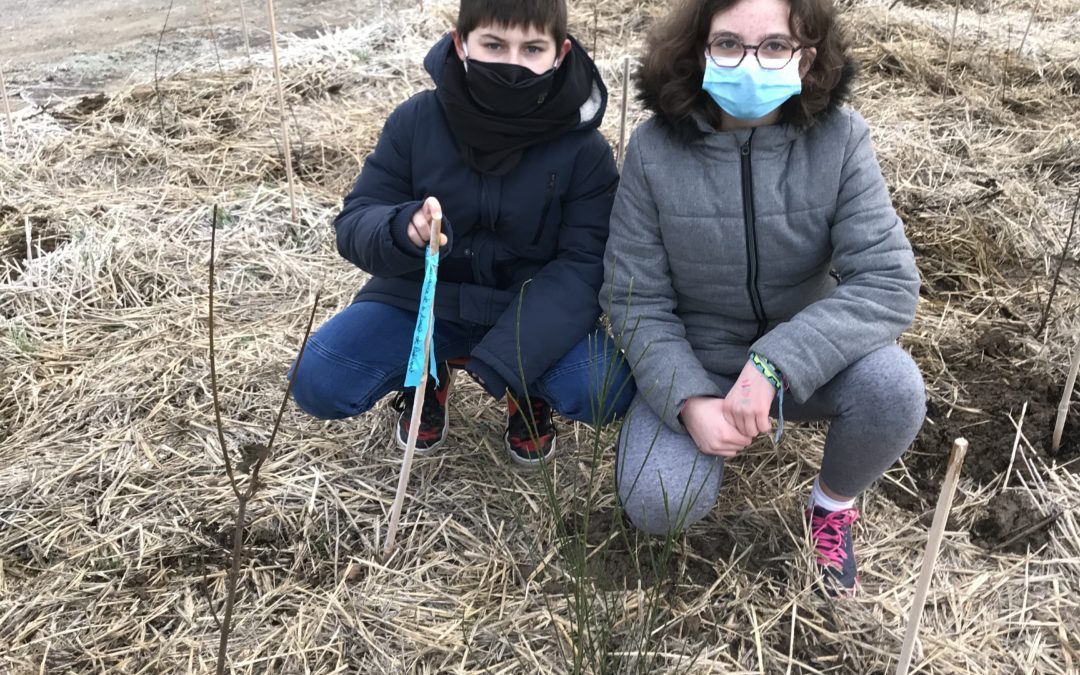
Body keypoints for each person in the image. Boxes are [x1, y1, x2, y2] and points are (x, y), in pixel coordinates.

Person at [601, 0, 926, 594]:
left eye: (775, 46)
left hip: (807, 359)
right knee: (658, 504)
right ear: (699, 50)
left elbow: (886, 280)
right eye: (728, 44)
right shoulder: (652, 151)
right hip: (698, 358)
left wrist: (776, 363)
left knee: (892, 389)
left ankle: (829, 507)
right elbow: (633, 297)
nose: (750, 63)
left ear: (806, 59)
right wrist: (686, 398)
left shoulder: (843, 140)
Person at [291, 0, 635, 467]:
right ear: (461, 43)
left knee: (606, 390)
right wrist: (401, 228)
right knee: (320, 383)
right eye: (494, 44)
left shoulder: (585, 149)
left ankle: (527, 389)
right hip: (420, 302)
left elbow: (586, 263)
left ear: (560, 54)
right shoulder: (415, 121)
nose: (512, 63)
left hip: (528, 309)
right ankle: (426, 375)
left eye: (532, 48)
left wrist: (512, 358)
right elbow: (355, 220)